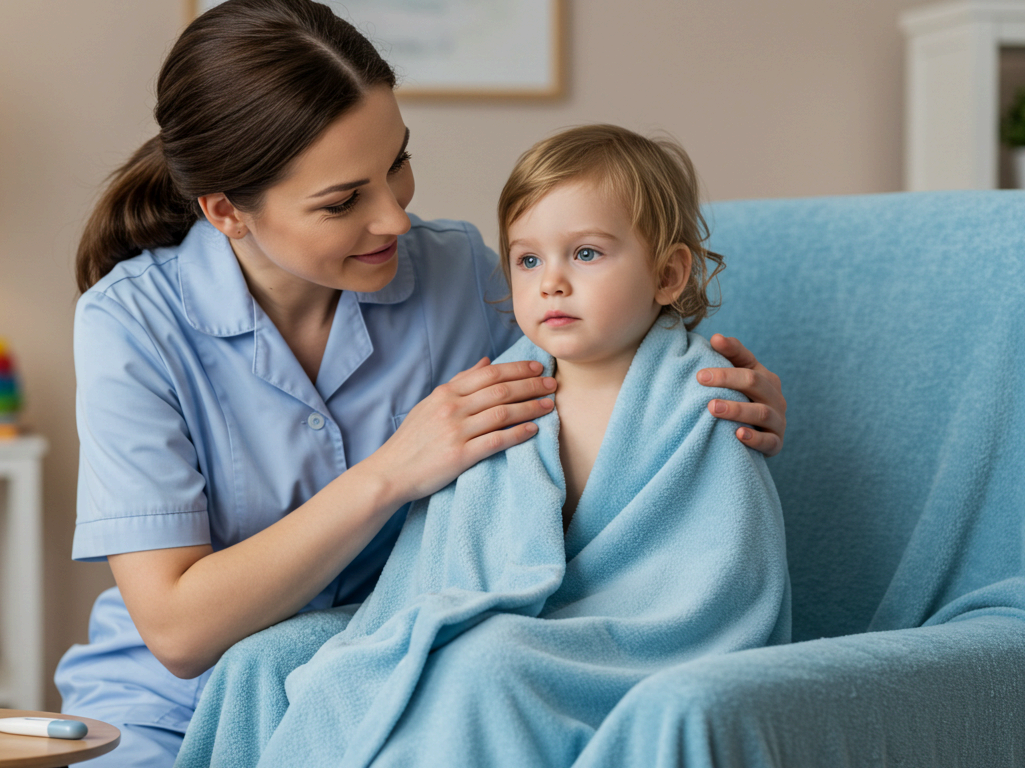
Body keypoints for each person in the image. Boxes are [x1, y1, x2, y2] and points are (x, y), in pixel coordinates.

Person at [55, 2, 787, 765]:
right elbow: (178, 632)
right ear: (226, 212)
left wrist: (704, 392)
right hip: (176, 703)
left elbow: (593, 391)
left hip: (390, 665)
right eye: (343, 201)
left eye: (397, 164)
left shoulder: (456, 271)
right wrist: (391, 473)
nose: (396, 220)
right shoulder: (130, 322)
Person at [175, 124, 791, 768]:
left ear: (667, 275)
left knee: (484, 661)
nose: (551, 281)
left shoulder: (700, 407)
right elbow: (444, 568)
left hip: (627, 643)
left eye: (585, 254)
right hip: (509, 620)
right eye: (528, 260)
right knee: (266, 663)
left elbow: (722, 584)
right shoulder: (496, 397)